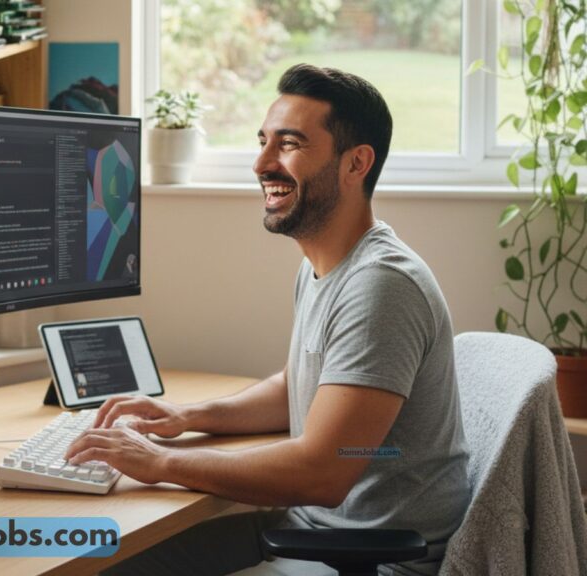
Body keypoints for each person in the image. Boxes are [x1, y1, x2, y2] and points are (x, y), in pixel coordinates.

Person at [65, 64, 471, 576]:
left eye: (290, 144)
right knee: (99, 563)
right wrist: (187, 416)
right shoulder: (325, 265)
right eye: (263, 141)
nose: (261, 163)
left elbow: (322, 473)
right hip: (310, 530)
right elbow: (296, 387)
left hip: (368, 557)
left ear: (356, 163)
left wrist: (160, 462)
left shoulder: (381, 287)